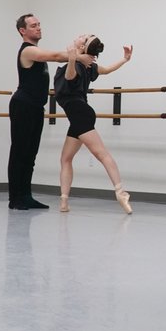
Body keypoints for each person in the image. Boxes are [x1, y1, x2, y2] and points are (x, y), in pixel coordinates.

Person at [8, 14, 94, 210]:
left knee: (31, 153)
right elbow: (56, 57)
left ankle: (26, 195)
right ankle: (15, 198)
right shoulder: (27, 51)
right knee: (20, 152)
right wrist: (78, 56)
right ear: (23, 31)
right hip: (22, 106)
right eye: (33, 26)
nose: (38, 28)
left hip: (36, 107)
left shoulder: (36, 50)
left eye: (39, 24)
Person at [54, 34, 133, 214]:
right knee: (65, 158)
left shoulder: (79, 66)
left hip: (80, 114)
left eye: (84, 38)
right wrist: (125, 59)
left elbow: (70, 77)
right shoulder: (89, 66)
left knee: (102, 154)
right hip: (79, 115)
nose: (81, 36)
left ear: (82, 48)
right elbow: (107, 70)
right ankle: (64, 201)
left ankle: (121, 193)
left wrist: (72, 59)